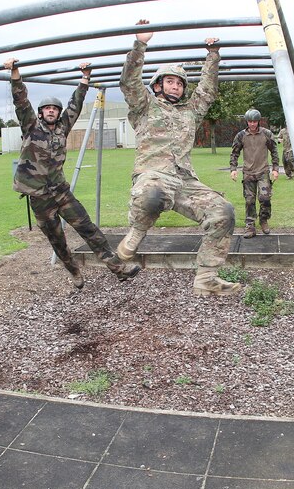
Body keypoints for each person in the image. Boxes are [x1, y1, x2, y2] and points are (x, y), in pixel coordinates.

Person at [116, 20, 241, 297]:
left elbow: (207, 92)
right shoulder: (144, 106)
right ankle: (136, 233)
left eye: (179, 84)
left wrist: (212, 56)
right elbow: (128, 83)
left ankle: (207, 277)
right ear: (158, 85)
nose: (175, 87)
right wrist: (140, 44)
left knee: (223, 212)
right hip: (154, 175)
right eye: (169, 82)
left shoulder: (190, 112)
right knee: (152, 195)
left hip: (184, 180)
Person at [3, 57, 140, 289]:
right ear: (40, 112)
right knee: (57, 239)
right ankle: (74, 271)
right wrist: (15, 73)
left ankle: (119, 269)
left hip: (61, 192)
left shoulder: (63, 128)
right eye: (47, 109)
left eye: (54, 109)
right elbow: (21, 101)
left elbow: (75, 105)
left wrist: (85, 79)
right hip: (40, 198)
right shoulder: (31, 127)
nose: (51, 112)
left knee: (88, 228)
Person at [229, 109, 279, 238]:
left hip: (263, 172)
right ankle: (250, 226)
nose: (252, 124)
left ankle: (263, 220)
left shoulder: (266, 134)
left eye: (255, 121)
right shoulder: (241, 136)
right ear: (247, 121)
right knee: (249, 200)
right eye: (250, 121)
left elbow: (274, 151)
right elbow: (235, 153)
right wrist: (233, 169)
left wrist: (275, 169)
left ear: (258, 121)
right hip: (248, 173)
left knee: (265, 198)